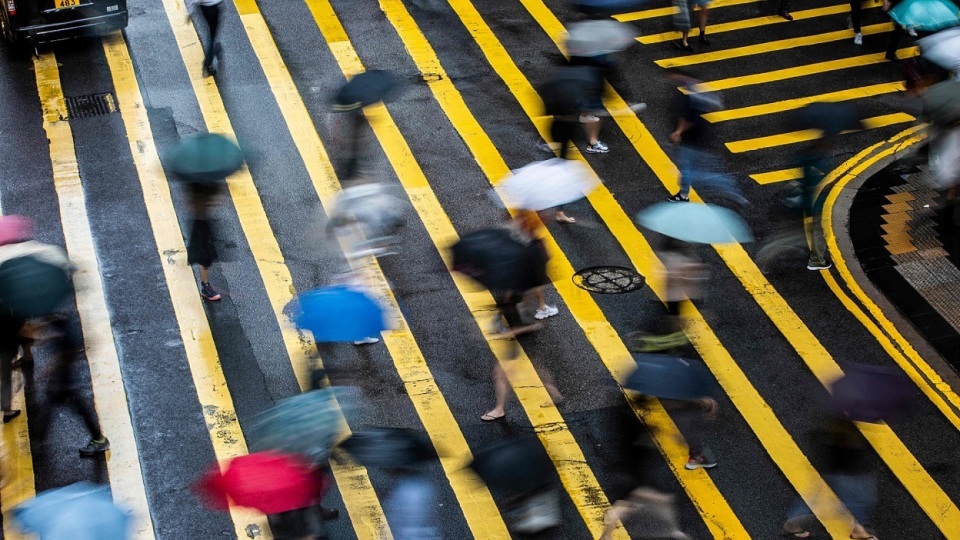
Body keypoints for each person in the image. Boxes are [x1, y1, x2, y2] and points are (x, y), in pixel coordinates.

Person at [781, 416, 878, 539]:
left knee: (824, 493)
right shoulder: (850, 410)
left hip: (838, 454)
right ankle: (858, 529)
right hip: (842, 456)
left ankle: (793, 523)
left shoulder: (846, 407)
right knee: (857, 496)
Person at [30, 316, 109, 456]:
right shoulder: (58, 318)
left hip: (64, 380)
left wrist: (45, 371)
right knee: (53, 403)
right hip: (63, 379)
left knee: (73, 405)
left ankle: (99, 439)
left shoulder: (62, 329)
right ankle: (38, 440)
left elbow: (65, 352)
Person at [666, 71, 747, 205]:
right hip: (702, 139)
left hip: (692, 140)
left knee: (692, 170)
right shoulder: (699, 92)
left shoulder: (691, 96)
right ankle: (732, 191)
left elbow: (690, 119)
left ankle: (685, 194)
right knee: (699, 170)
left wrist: (678, 132)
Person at [793, 139, 832, 270]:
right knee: (818, 232)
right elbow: (818, 186)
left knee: (806, 230)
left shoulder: (806, 158)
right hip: (816, 204)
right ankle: (816, 260)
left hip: (806, 202)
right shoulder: (818, 164)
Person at [186, 183, 223, 300]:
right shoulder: (196, 183)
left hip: (204, 221)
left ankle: (206, 285)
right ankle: (205, 287)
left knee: (205, 254)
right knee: (204, 255)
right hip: (200, 222)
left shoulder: (202, 181)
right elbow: (192, 204)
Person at [186, 0, 224, 77]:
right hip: (214, 6)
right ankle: (207, 65)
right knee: (212, 36)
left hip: (203, 8)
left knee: (210, 31)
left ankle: (216, 49)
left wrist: (190, 12)